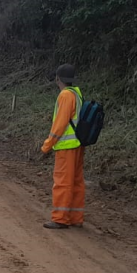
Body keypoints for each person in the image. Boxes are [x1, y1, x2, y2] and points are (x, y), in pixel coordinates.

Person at [40, 63, 85, 229]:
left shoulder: (65, 96)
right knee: (76, 182)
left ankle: (60, 218)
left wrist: (47, 146)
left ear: (58, 78)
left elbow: (59, 125)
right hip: (78, 144)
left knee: (63, 183)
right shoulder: (77, 94)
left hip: (66, 146)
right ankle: (75, 217)